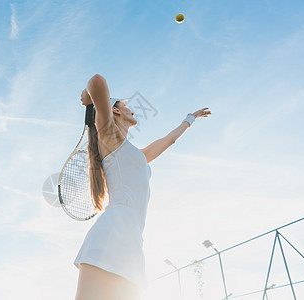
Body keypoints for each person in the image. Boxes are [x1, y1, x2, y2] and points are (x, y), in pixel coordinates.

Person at [74, 74, 211, 300]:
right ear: (115, 111)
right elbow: (97, 80)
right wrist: (89, 99)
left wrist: (190, 118)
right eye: (124, 105)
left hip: (132, 242)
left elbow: (168, 141)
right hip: (111, 234)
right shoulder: (109, 137)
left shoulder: (135, 154)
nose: (131, 109)